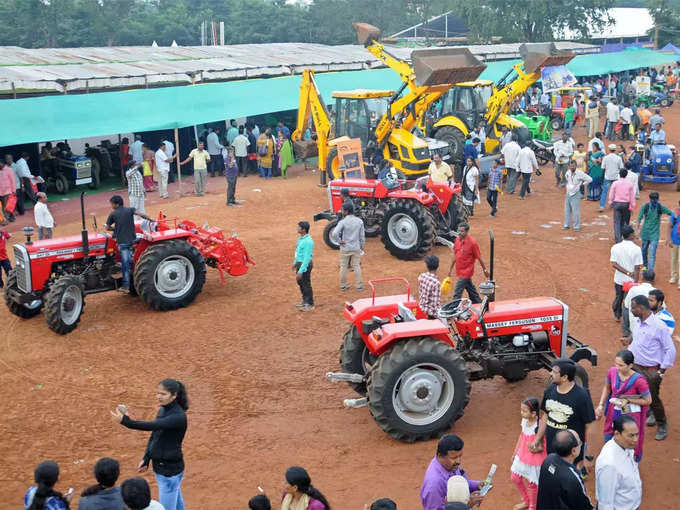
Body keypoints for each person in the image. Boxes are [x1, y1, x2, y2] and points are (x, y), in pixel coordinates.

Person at [111, 378, 189, 510]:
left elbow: (152, 426)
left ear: (174, 395)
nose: (159, 397)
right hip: (164, 469)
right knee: (177, 502)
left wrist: (126, 421)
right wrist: (147, 457)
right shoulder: (164, 409)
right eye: (158, 393)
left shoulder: (178, 417)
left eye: (163, 394)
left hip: (169, 472)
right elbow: (155, 434)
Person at [622, 294, 676, 440]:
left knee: (653, 398)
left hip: (651, 370)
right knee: (631, 393)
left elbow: (670, 350)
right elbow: (636, 336)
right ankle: (633, 421)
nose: (631, 310)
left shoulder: (659, 326)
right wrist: (628, 340)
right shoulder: (638, 322)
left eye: (633, 308)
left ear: (641, 308)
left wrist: (661, 372)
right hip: (634, 367)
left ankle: (662, 423)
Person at [532, 359, 595, 473]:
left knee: (570, 482)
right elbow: (545, 416)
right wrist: (537, 439)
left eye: (554, 372)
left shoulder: (581, 396)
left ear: (564, 377)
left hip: (571, 455)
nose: (550, 373)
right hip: (552, 450)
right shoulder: (550, 390)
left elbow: (590, 426)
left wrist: (589, 456)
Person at [595, 349, 651, 462]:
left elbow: (648, 400)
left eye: (621, 365)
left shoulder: (639, 381)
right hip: (613, 411)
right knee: (611, 435)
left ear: (630, 365)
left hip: (630, 414)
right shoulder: (612, 372)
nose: (617, 367)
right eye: (616, 364)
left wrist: (628, 400)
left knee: (628, 439)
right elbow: (607, 387)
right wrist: (600, 405)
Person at [420, 434, 483, 510]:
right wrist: (466, 506)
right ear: (440, 456)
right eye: (454, 458)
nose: (458, 461)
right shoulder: (434, 484)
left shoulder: (450, 466)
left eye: (460, 456)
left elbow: (460, 483)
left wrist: (476, 485)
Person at [535, 430, 593, 510]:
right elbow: (584, 506)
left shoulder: (548, 459)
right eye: (580, 442)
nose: (581, 445)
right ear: (573, 451)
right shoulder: (573, 478)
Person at [105, 195, 152, 293]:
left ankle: (126, 286)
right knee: (131, 261)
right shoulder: (130, 210)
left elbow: (107, 228)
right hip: (132, 240)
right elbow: (141, 214)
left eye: (112, 204)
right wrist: (150, 219)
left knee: (125, 265)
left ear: (116, 204)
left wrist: (116, 228)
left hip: (123, 243)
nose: (111, 205)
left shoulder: (113, 214)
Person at [595, 415, 642, 510]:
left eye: (637, 434)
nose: (635, 440)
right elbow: (605, 503)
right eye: (631, 435)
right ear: (617, 434)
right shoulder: (609, 465)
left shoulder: (625, 445)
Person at [510, 397, 546, 510]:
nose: (521, 413)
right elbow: (521, 435)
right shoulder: (525, 421)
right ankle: (526, 500)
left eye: (524, 411)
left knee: (533, 484)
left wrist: (536, 449)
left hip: (534, 459)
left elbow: (542, 446)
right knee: (515, 477)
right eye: (521, 410)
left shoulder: (539, 426)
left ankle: (533, 506)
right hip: (522, 455)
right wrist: (515, 451)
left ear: (533, 413)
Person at [447, 223, 489, 304]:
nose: (459, 233)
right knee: (471, 290)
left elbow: (479, 257)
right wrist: (450, 269)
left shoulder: (472, 243)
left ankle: (454, 308)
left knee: (457, 293)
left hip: (467, 272)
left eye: (462, 231)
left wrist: (485, 270)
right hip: (459, 270)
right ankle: (478, 303)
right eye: (458, 230)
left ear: (467, 232)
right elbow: (455, 255)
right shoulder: (457, 240)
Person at [610, 225, 643, 322]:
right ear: (631, 235)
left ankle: (617, 315)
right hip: (630, 281)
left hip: (619, 279)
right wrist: (634, 281)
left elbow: (614, 264)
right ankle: (626, 320)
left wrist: (627, 272)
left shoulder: (615, 247)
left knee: (618, 297)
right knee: (628, 301)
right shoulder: (636, 249)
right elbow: (637, 268)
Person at [636, 191, 672, 272]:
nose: (654, 201)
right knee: (644, 252)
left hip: (654, 234)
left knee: (652, 254)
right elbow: (639, 219)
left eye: (655, 199)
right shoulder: (645, 207)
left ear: (657, 199)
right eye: (653, 199)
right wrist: (637, 231)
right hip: (645, 233)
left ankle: (650, 271)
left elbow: (671, 213)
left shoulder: (660, 207)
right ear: (650, 199)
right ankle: (645, 268)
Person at [336, 202, 365, 291]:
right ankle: (359, 285)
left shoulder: (343, 222)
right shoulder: (359, 221)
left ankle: (343, 285)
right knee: (356, 266)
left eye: (342, 210)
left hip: (345, 247)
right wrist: (361, 246)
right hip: (356, 247)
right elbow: (362, 236)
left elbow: (334, 233)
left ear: (346, 211)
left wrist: (339, 241)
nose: (341, 211)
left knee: (343, 266)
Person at [622, 269, 656, 337]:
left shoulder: (633, 289)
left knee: (625, 306)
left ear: (642, 278)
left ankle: (625, 330)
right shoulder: (656, 292)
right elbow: (662, 310)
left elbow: (626, 306)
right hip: (650, 329)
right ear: (653, 280)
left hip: (634, 326)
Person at [608, 168, 635, 243]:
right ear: (626, 175)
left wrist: (610, 202)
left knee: (617, 222)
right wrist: (632, 206)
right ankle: (625, 237)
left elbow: (611, 193)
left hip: (617, 203)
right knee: (625, 222)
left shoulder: (615, 183)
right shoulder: (629, 184)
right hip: (626, 204)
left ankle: (618, 239)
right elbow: (632, 196)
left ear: (619, 174)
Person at [563, 160, 591, 231]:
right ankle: (566, 225)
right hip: (568, 193)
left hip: (575, 194)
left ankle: (576, 227)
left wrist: (582, 184)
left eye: (573, 166)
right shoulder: (568, 172)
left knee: (576, 211)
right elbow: (567, 179)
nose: (572, 167)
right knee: (567, 210)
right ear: (569, 166)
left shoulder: (580, 173)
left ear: (576, 166)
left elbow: (589, 179)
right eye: (571, 166)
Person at [293, 221, 314, 312]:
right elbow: (298, 252)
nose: (297, 228)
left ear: (303, 229)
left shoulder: (308, 242)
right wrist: (295, 262)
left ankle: (310, 304)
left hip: (305, 265)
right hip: (300, 264)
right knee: (301, 283)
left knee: (306, 284)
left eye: (299, 227)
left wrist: (301, 271)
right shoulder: (301, 239)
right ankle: (305, 300)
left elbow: (306, 258)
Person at [600, 144, 624, 212]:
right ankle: (614, 204)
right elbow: (621, 168)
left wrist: (602, 178)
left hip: (607, 177)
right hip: (616, 177)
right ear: (615, 150)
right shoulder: (618, 158)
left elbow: (603, 168)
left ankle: (602, 206)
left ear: (609, 150)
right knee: (616, 192)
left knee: (604, 192)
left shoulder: (605, 158)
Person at [0, 157, 17, 224]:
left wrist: (14, 191)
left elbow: (13, 181)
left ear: (3, 163)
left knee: (5, 206)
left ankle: (5, 220)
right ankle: (12, 217)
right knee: (7, 206)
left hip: (7, 191)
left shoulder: (9, 170)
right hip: (0, 191)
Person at [668, 198, 680, 286]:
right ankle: (674, 276)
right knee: (674, 259)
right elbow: (670, 226)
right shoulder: (675, 214)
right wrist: (669, 239)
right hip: (675, 240)